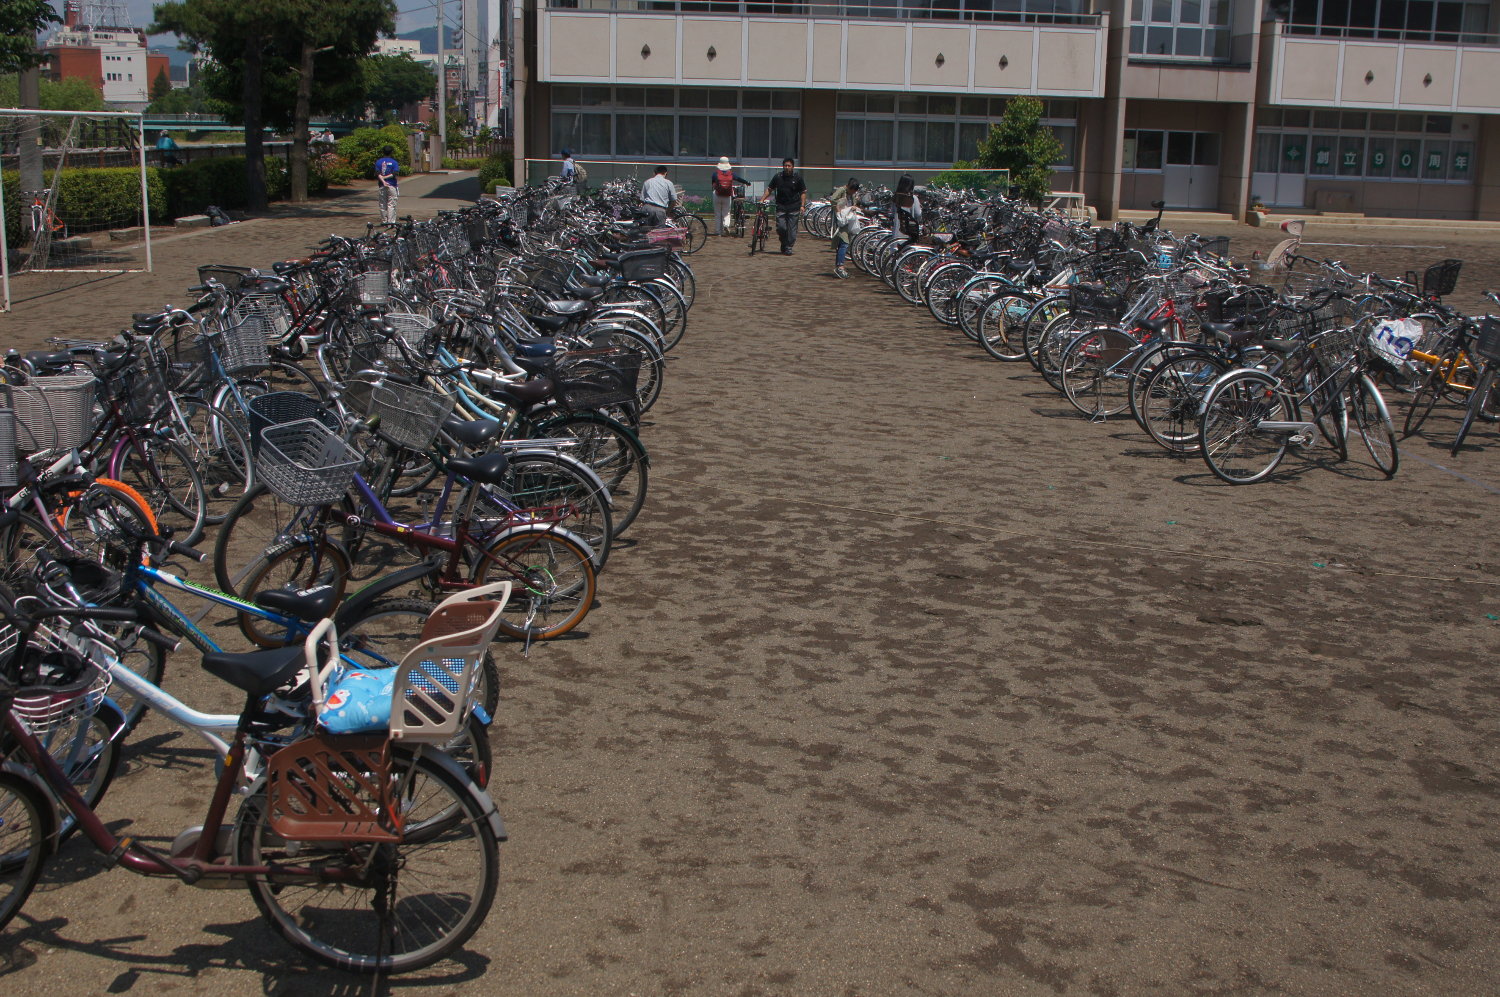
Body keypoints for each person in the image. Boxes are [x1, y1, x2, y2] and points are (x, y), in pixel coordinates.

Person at [760, 156, 806, 255]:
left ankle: (789, 247)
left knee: (792, 230)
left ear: (793, 167)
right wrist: (762, 199)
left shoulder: (797, 178)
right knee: (781, 228)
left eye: (789, 165)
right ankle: (784, 243)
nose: (787, 167)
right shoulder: (778, 177)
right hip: (781, 206)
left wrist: (802, 205)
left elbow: (803, 192)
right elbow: (769, 189)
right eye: (785, 165)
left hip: (794, 207)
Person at [828, 177, 863, 278]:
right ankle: (840, 267)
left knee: (843, 243)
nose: (853, 193)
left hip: (846, 220)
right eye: (853, 190)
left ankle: (839, 266)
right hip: (841, 220)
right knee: (844, 243)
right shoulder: (842, 190)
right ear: (850, 187)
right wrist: (840, 208)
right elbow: (833, 200)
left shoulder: (850, 194)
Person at [710, 156, 749, 237]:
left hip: (717, 195)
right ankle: (726, 225)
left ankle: (718, 231)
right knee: (726, 213)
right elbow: (739, 179)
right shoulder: (731, 174)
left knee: (718, 213)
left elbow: (713, 184)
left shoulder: (715, 174)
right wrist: (747, 182)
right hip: (727, 195)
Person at [375, 145, 401, 225]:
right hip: (392, 185)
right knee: (391, 204)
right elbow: (395, 173)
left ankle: (384, 221)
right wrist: (386, 177)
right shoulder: (394, 162)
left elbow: (377, 173)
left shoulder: (378, 162)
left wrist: (383, 180)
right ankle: (391, 222)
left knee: (383, 204)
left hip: (382, 185)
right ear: (391, 152)